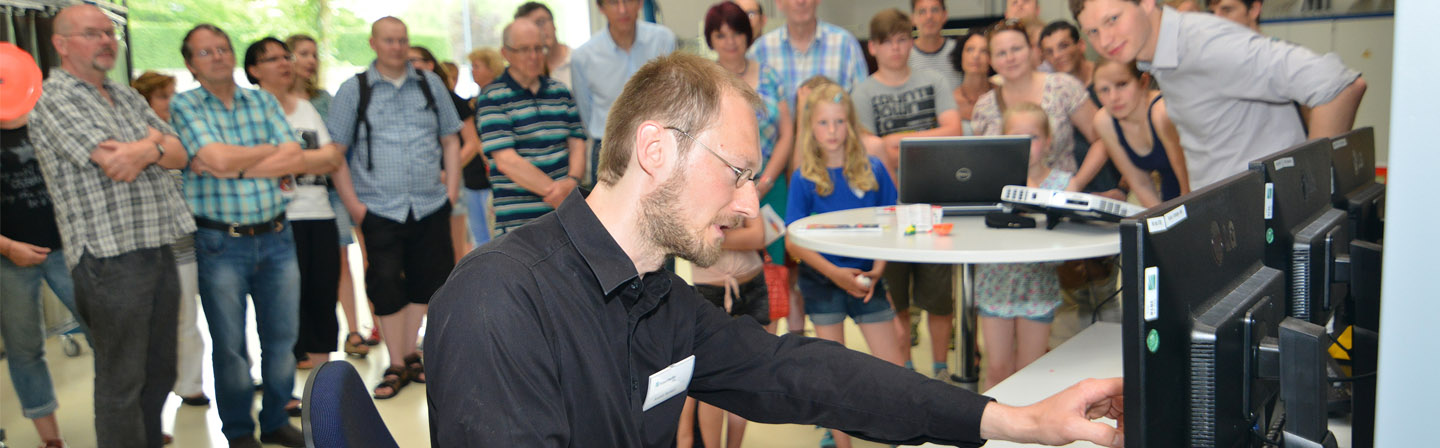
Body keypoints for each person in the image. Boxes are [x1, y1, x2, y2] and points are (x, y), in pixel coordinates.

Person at [425, 52, 1124, 448]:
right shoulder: (500, 301)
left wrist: (1012, 420)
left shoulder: (660, 298)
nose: (745, 205)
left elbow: (802, 372)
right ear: (655, 149)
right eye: (737, 172)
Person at [28, 5, 194, 446]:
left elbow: (182, 152)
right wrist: (155, 144)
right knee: (122, 380)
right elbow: (115, 163)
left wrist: (149, 147)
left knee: (161, 369)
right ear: (61, 44)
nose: (105, 40)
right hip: (108, 258)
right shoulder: (55, 100)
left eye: (109, 32)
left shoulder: (126, 95)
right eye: (91, 33)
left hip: (159, 244)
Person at [172, 24, 342, 447]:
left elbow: (292, 155)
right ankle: (239, 431)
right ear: (191, 64)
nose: (218, 56)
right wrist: (255, 156)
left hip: (277, 236)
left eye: (223, 48)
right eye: (206, 52)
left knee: (282, 340)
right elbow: (212, 156)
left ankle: (274, 422)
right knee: (230, 348)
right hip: (220, 243)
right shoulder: (185, 105)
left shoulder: (262, 101)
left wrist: (234, 163)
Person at [1070, 0, 1366, 190]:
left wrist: (1313, 193)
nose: (1105, 40)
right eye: (1092, 31)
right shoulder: (1163, 56)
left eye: (1113, 20)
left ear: (1146, 3)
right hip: (1229, 221)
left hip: (1267, 224)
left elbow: (1338, 84)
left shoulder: (1205, 43)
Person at [327, 17, 463, 400]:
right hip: (378, 207)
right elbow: (335, 153)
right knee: (385, 281)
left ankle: (410, 356)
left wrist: (450, 192)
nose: (397, 47)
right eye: (388, 40)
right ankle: (395, 361)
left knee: (429, 279)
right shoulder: (354, 90)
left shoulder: (429, 84)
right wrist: (354, 206)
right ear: (373, 43)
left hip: (429, 204)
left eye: (402, 40)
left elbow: (451, 139)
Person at [788, 81, 911, 448]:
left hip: (866, 278)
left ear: (851, 124)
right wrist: (835, 274)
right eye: (824, 123)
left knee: (893, 365)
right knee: (833, 370)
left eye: (840, 122)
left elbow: (893, 221)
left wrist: (877, 269)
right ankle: (842, 442)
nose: (832, 131)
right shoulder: (805, 177)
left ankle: (898, 436)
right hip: (823, 281)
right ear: (811, 127)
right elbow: (794, 241)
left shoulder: (872, 168)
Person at [851, 8, 962, 382]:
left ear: (910, 40)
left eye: (902, 39)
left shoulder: (933, 82)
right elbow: (871, 150)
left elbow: (954, 130)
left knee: (939, 298)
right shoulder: (863, 92)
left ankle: (941, 370)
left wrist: (899, 141)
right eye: (887, 42)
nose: (896, 49)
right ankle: (908, 373)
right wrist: (903, 146)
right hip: (888, 210)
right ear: (874, 47)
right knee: (896, 296)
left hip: (934, 205)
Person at [245, 37, 347, 376]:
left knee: (322, 299)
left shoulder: (305, 106)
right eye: (272, 59)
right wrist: (303, 160)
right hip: (277, 220)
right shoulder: (248, 110)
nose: (284, 63)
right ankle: (284, 391)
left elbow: (332, 158)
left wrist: (287, 159)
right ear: (254, 70)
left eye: (285, 56)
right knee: (284, 308)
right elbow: (252, 165)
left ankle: (324, 386)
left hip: (320, 214)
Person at [2, 110, 89, 448]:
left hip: (68, 249)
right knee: (24, 349)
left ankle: (123, 417)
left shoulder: (50, 118)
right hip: (8, 260)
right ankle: (50, 438)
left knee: (105, 333)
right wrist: (9, 248)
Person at [286, 33, 375, 356]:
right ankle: (299, 341)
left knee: (337, 263)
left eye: (314, 55)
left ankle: (353, 330)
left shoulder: (324, 99)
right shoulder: (270, 102)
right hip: (290, 200)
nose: (310, 61)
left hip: (330, 194)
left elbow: (338, 151)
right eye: (302, 54)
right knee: (298, 269)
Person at [132, 70, 212, 407]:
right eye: (164, 96)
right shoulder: (136, 138)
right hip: (148, 246)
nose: (172, 102)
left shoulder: (185, 134)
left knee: (186, 317)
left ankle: (191, 384)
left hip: (185, 243)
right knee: (152, 323)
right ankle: (152, 395)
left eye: (172, 94)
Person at [977, 102, 1069, 390]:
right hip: (995, 285)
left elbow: (1065, 236)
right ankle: (991, 432)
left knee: (1030, 371)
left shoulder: (1062, 185)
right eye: (1018, 137)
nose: (1027, 146)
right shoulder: (992, 183)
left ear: (1049, 141)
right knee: (997, 368)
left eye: (1034, 137)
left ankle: (1028, 433)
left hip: (1037, 288)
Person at [705, 0, 794, 293]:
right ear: (711, 40)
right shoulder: (704, 80)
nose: (730, 42)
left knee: (774, 269)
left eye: (736, 33)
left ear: (747, 34)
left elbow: (786, 133)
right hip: (722, 187)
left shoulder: (769, 75)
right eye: (721, 35)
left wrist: (765, 181)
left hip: (771, 184)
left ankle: (771, 335)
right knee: (729, 266)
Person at [971, 21, 1109, 195]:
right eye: (1001, 53)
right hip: (1008, 203)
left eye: (1016, 49)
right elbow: (983, 163)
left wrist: (1077, 184)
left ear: (1031, 50)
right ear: (991, 61)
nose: (1010, 58)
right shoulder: (984, 107)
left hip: (1062, 199)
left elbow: (1103, 138)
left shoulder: (1062, 87)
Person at [477, 20, 587, 235]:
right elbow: (507, 160)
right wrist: (556, 193)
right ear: (506, 53)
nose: (534, 56)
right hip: (518, 220)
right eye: (524, 49)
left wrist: (572, 181)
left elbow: (577, 143)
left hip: (563, 215)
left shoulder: (560, 91)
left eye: (539, 48)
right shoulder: (492, 97)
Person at [571, 0, 676, 190]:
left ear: (639, 3)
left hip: (657, 143)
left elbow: (673, 94)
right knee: (606, 217)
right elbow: (585, 110)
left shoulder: (663, 40)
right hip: (607, 148)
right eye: (613, 3)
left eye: (628, 1)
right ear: (600, 8)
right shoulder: (583, 56)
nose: (622, 9)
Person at [1038, 20, 1126, 200]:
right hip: (1073, 187)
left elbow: (1135, 136)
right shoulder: (1052, 93)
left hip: (1116, 181)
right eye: (1049, 51)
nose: (1057, 55)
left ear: (1081, 45)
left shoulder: (1111, 80)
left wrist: (1124, 190)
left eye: (1063, 46)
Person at [411, 45, 483, 262]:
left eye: (414, 60)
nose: (409, 66)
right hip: (414, 187)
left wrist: (448, 172)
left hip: (449, 183)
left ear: (429, 65)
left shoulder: (452, 100)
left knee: (454, 250)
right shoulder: (404, 104)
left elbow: (472, 143)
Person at [1091, 59, 1189, 206]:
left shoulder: (1161, 112)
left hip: (1207, 180)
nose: (1114, 97)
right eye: (1104, 90)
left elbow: (1188, 185)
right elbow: (1141, 184)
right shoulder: (1104, 121)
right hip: (1170, 188)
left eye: (1122, 85)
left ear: (1143, 81)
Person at [749, 0, 868, 111]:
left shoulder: (846, 44)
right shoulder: (760, 50)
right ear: (779, 3)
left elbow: (861, 108)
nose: (801, 2)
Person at [464, 47, 503, 245]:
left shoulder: (497, 98)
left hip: (490, 175)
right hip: (472, 175)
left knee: (490, 235)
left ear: (491, 68)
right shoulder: (474, 100)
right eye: (471, 67)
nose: (473, 71)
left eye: (477, 66)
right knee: (479, 235)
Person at [516, 1, 574, 89]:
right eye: (530, 27)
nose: (538, 30)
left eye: (541, 22)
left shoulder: (580, 61)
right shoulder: (520, 72)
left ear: (554, 24)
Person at [909, 0, 964, 92]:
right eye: (922, 11)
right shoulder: (904, 55)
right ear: (913, 18)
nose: (929, 16)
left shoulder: (959, 50)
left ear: (944, 15)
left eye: (934, 10)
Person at [949, 31, 995, 136]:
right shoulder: (949, 100)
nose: (976, 56)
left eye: (984, 51)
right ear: (960, 55)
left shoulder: (1002, 94)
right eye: (970, 49)